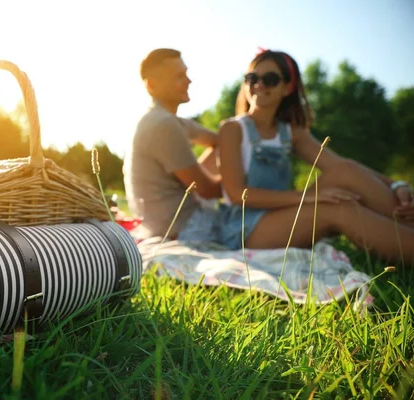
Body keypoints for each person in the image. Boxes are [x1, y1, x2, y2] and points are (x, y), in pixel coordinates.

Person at [217, 48, 414, 264]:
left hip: (285, 214)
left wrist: (396, 184)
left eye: (270, 79)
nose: (258, 85)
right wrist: (307, 197)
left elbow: (342, 167)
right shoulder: (233, 129)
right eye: (252, 78)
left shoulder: (290, 133)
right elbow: (236, 194)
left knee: (345, 171)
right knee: (338, 209)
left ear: (287, 87)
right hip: (245, 228)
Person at [123, 48, 223, 240]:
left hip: (168, 224)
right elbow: (208, 190)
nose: (189, 81)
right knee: (259, 221)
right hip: (183, 229)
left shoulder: (164, 119)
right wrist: (245, 186)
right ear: (152, 85)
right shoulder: (163, 124)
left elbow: (218, 141)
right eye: (179, 76)